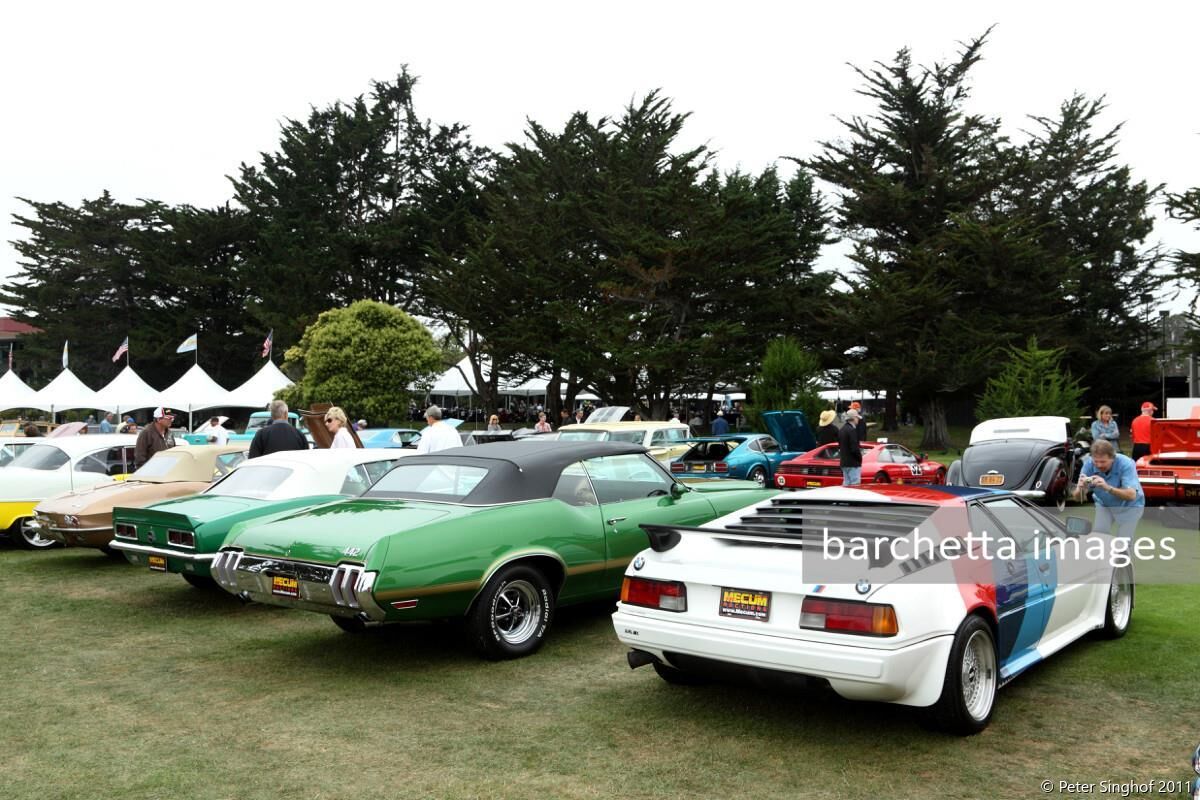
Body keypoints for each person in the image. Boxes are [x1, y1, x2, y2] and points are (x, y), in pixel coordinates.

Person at [1072, 439, 1144, 540]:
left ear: (1112, 458)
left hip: (1130, 506)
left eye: (1103, 461)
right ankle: (1102, 555)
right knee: (1099, 535)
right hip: (1104, 504)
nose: (1099, 465)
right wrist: (1080, 489)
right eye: (1096, 461)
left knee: (1123, 541)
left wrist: (1107, 487)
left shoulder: (1126, 463)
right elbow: (1078, 498)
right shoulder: (1088, 465)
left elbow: (1131, 495)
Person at [839, 408, 863, 486]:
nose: (858, 420)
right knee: (854, 486)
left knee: (846, 484)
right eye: (857, 418)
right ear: (853, 418)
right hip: (853, 463)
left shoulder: (842, 429)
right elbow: (854, 448)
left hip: (844, 462)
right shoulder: (852, 430)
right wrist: (860, 458)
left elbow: (840, 445)